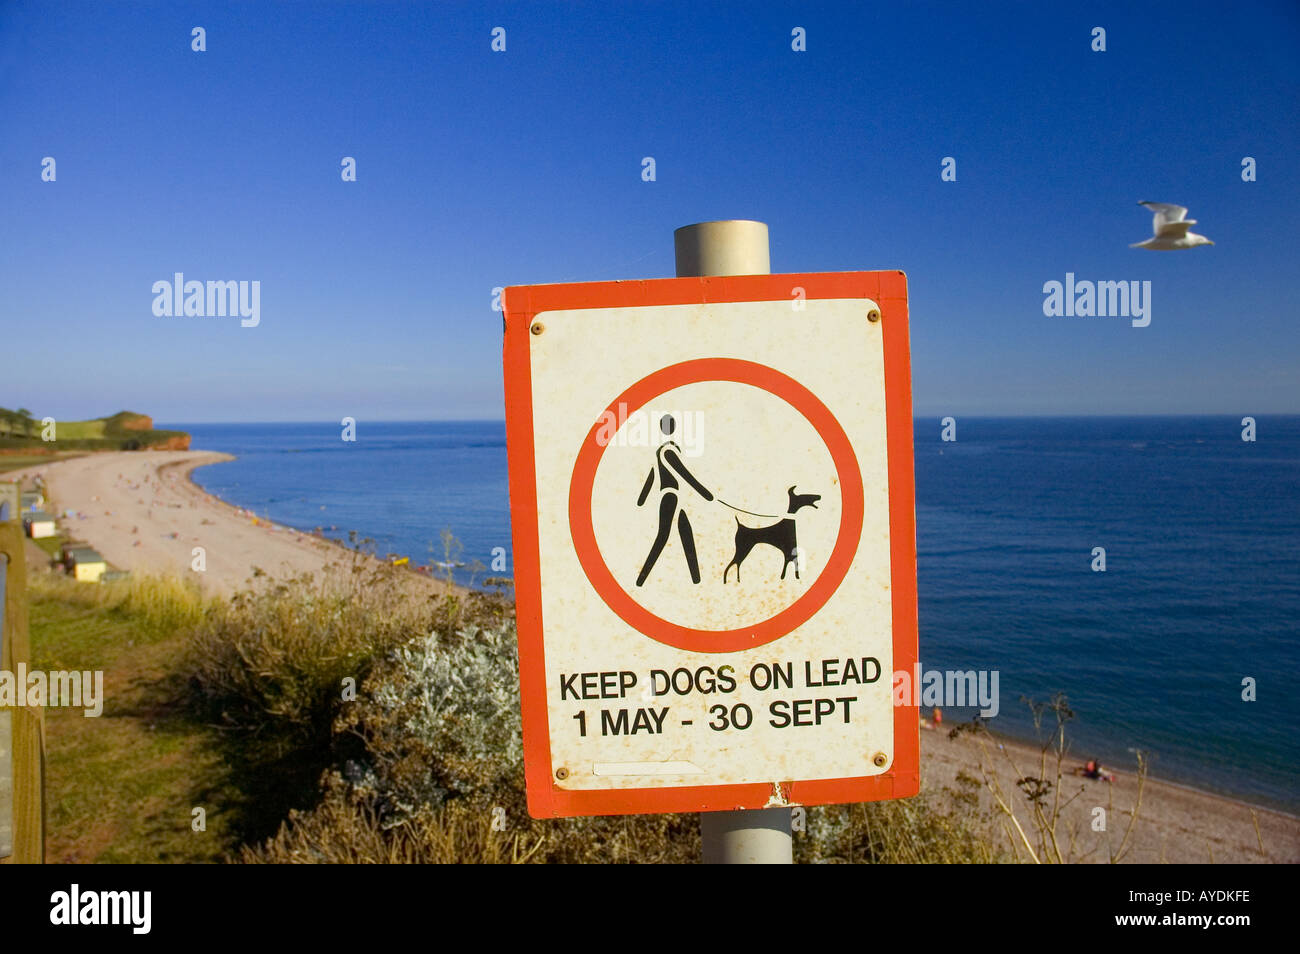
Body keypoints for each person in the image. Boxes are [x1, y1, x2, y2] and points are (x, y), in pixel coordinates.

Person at [636, 415, 713, 586]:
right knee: (663, 536)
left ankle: (696, 580)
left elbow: (651, 476)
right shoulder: (668, 450)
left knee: (686, 533)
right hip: (671, 496)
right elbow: (685, 475)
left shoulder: (660, 451)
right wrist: (706, 494)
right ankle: (641, 580)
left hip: (675, 496)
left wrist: (642, 499)